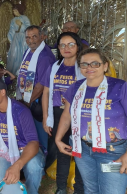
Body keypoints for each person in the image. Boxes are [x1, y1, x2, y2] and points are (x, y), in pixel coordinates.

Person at [56, 48, 127, 194]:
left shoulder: (120, 87)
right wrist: (58, 138)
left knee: (112, 191)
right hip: (83, 150)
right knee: (90, 189)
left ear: (105, 66)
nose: (89, 68)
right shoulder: (76, 87)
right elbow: (67, 114)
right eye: (84, 64)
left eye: (95, 63)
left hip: (113, 151)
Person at [41, 32, 85, 194]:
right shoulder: (53, 67)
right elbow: (46, 93)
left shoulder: (84, 68)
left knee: (80, 152)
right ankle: (60, 188)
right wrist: (46, 117)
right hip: (58, 115)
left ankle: (79, 188)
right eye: (62, 45)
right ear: (58, 48)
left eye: (71, 44)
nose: (66, 48)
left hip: (78, 116)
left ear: (78, 47)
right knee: (63, 151)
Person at [16, 25, 56, 151]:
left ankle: (42, 165)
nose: (31, 40)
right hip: (28, 100)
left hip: (37, 104)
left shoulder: (45, 57)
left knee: (39, 138)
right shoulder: (28, 51)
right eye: (28, 37)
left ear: (42, 37)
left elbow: (41, 86)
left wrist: (26, 103)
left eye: (34, 36)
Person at [6, 4, 31, 75]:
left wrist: (21, 25)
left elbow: (29, 28)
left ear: (19, 10)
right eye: (13, 11)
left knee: (23, 53)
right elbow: (11, 30)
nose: (14, 12)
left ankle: (22, 72)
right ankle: (13, 73)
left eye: (16, 10)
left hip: (23, 38)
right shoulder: (13, 20)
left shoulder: (25, 18)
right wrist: (9, 38)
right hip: (15, 38)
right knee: (14, 54)